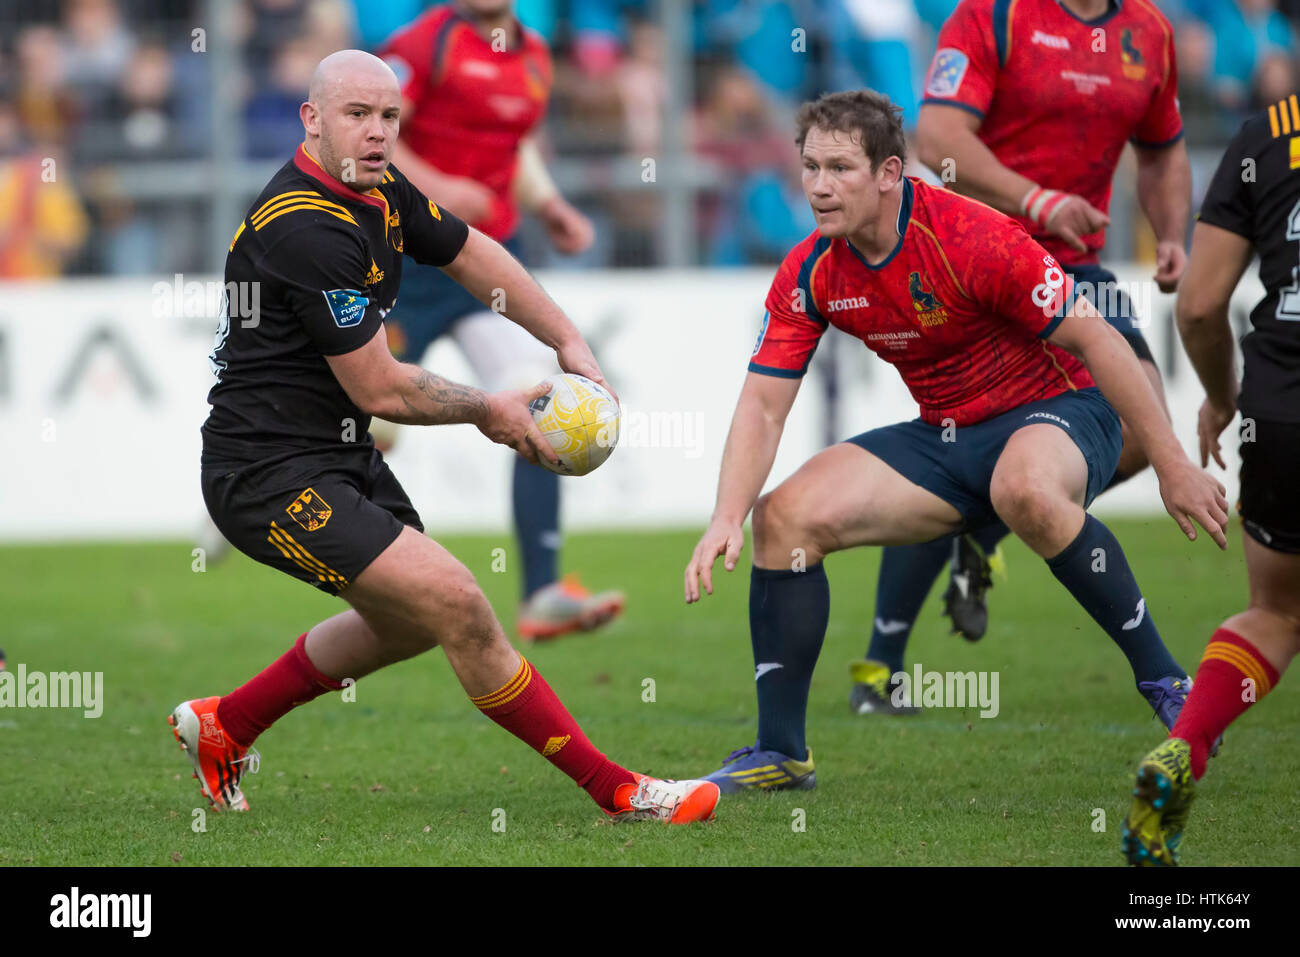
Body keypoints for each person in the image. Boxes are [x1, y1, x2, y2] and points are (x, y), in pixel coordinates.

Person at [171, 50, 718, 826]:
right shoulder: (304, 227)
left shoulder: (379, 186)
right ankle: (620, 790)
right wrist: (491, 410)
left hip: (334, 454)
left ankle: (227, 723)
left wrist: (567, 339)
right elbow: (382, 387)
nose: (377, 133)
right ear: (312, 119)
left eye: (389, 117)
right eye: (358, 116)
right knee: (459, 602)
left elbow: (472, 253)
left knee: (407, 624)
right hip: (265, 474)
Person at [682, 89, 1227, 793]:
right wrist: (727, 514)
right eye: (810, 166)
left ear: (889, 173)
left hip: (1062, 407)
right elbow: (761, 404)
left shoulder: (970, 236)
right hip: (949, 433)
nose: (819, 185)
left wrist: (1171, 463)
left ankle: (1166, 680)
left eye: (840, 168)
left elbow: (1096, 335)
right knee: (781, 518)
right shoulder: (811, 270)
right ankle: (780, 752)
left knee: (1023, 487)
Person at [850, 0, 1193, 717]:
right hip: (969, 255)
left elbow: (1162, 149)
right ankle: (880, 668)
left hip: (1072, 266)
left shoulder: (1150, 32)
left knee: (1138, 422)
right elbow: (940, 137)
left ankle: (988, 529)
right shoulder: (993, 17)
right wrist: (1033, 198)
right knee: (956, 448)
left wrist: (1172, 234)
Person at [377, 0, 624, 642]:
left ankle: (542, 590)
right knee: (371, 423)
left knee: (539, 397)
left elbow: (513, 150)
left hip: (481, 268)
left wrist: (550, 206)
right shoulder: (424, 43)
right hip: (404, 262)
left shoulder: (534, 57)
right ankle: (244, 500)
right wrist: (435, 188)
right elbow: (372, 135)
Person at [1122, 94, 1300, 866]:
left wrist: (1225, 399)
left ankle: (1184, 745)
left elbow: (1197, 305)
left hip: (1281, 403)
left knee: (1279, 611)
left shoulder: (1269, 133)